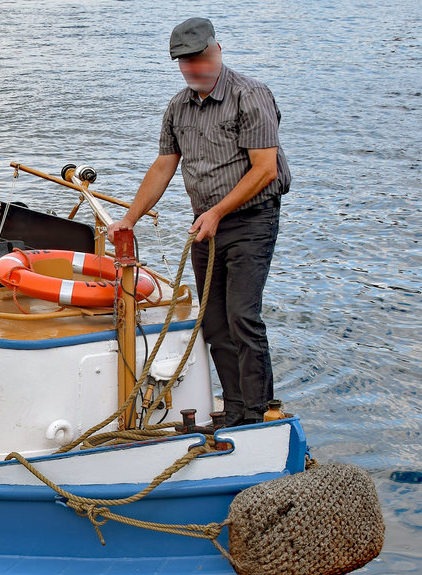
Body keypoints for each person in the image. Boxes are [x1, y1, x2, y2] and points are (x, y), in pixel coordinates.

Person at [109, 18, 290, 427]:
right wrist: (129, 219)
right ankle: (236, 409)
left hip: (251, 220)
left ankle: (259, 412)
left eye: (201, 58)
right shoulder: (178, 106)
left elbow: (265, 170)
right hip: (205, 223)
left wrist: (217, 212)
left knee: (243, 315)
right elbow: (163, 167)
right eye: (185, 62)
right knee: (213, 320)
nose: (194, 68)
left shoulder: (251, 95)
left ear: (218, 50)